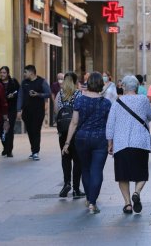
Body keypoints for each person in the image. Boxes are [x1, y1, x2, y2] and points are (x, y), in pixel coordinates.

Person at [62, 72, 112, 214]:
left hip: (81, 139)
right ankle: (92, 203)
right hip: (100, 139)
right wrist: (110, 142)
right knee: (96, 170)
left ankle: (89, 199)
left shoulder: (80, 100)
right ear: (101, 85)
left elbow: (74, 122)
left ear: (88, 84)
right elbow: (109, 125)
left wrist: (67, 143)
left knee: (85, 169)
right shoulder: (106, 103)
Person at [106, 76, 151, 214]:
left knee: (123, 175)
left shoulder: (117, 102)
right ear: (137, 87)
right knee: (142, 173)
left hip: (121, 143)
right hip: (140, 143)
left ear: (124, 87)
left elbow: (110, 124)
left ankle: (127, 204)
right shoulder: (143, 100)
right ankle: (137, 192)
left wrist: (110, 142)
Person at [54, 72, 85, 199]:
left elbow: (56, 110)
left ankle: (67, 183)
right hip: (75, 130)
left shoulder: (59, 94)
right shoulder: (78, 94)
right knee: (77, 160)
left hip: (62, 131)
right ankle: (76, 188)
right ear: (75, 81)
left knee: (65, 157)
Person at [17, 65, 51, 161]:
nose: (24, 74)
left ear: (31, 73)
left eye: (25, 72)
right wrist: (19, 110)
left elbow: (48, 93)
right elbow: (20, 96)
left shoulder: (42, 81)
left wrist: (38, 94)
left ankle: (35, 151)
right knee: (30, 131)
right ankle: (33, 150)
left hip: (38, 111)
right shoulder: (24, 83)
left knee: (36, 130)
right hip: (27, 112)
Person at [0, 66, 20, 158]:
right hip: (0, 110)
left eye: (4, 72)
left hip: (11, 109)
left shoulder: (14, 82)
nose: (2, 74)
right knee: (1, 129)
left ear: (8, 73)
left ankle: (9, 150)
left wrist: (13, 96)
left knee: (9, 130)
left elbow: (19, 93)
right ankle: (5, 147)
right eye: (1, 72)